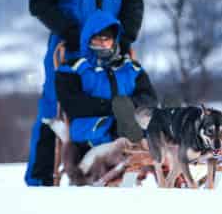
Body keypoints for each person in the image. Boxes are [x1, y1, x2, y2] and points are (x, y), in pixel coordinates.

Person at [24, 0, 144, 186]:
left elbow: (134, 3)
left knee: (124, 103)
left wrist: (124, 38)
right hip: (69, 52)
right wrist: (70, 30)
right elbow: (38, 2)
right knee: (52, 111)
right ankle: (41, 178)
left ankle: (120, 169)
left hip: (112, 50)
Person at [54, 10, 157, 176]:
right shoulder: (72, 69)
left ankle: (170, 157)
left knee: (153, 118)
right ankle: (133, 147)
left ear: (114, 40)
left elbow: (149, 99)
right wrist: (113, 108)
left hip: (132, 123)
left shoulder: (131, 69)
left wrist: (127, 108)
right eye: (97, 38)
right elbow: (72, 104)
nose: (102, 43)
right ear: (88, 40)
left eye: (106, 39)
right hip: (92, 130)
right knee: (121, 116)